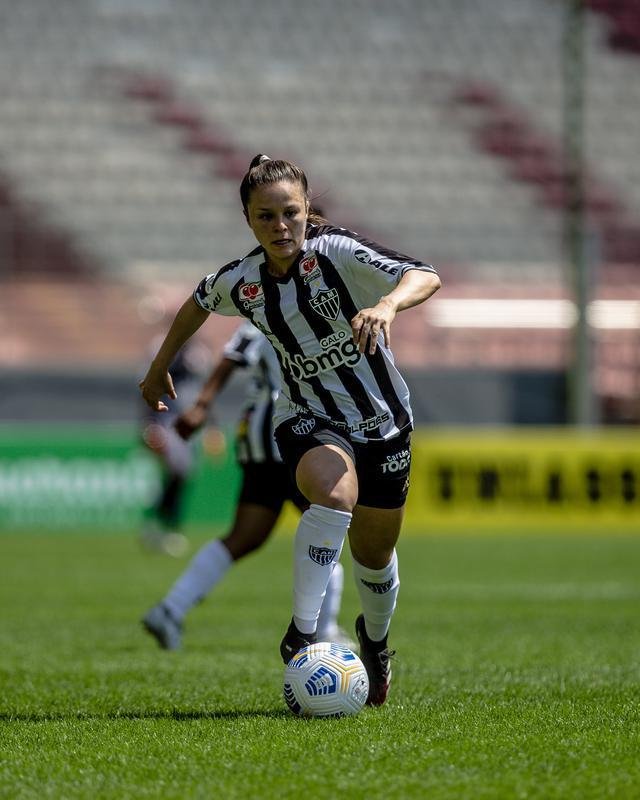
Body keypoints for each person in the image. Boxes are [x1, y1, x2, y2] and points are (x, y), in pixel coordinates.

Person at [139, 154, 441, 706]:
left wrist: (388, 304)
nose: (280, 226)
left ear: (306, 211)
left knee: (374, 558)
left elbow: (426, 275)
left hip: (383, 421)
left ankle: (376, 643)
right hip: (306, 416)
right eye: (265, 217)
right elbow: (196, 303)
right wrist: (161, 366)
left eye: (290, 213)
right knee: (333, 493)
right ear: (248, 220)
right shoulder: (243, 280)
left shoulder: (338, 252)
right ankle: (303, 633)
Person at [142, 320, 350, 649]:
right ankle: (324, 633)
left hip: (259, 440)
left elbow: (235, 351)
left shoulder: (270, 309)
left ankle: (170, 609)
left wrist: (203, 407)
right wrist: (201, 406)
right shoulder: (283, 306)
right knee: (326, 530)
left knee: (245, 536)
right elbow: (233, 356)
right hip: (291, 438)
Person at [139, 335, 210, 557]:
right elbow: (152, 387)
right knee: (177, 474)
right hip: (168, 422)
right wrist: (150, 423)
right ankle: (168, 526)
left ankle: (159, 523)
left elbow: (201, 392)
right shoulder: (166, 352)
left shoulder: (197, 353)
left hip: (188, 423)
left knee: (180, 475)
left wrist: (211, 426)